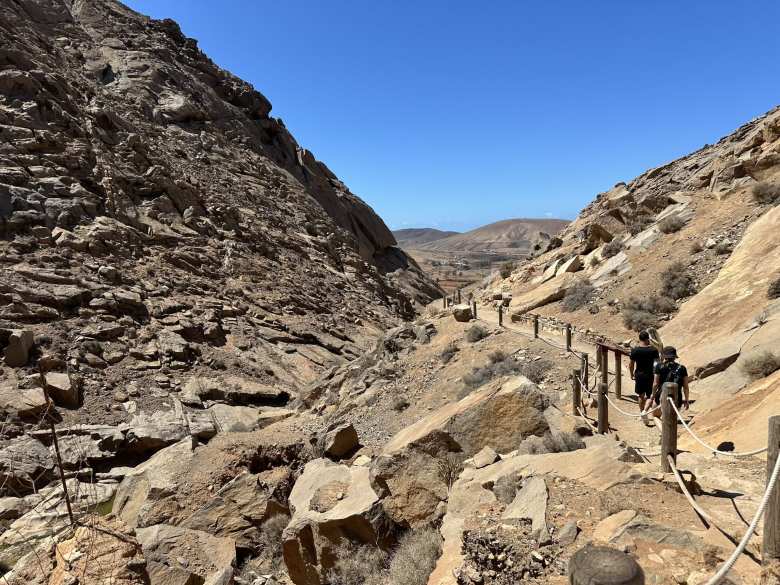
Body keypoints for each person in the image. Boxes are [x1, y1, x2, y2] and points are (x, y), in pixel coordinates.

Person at [629, 331, 659, 422]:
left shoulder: (635, 350)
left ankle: (642, 412)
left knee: (640, 395)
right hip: (650, 375)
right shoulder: (653, 350)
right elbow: (657, 364)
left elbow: (631, 364)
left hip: (639, 375)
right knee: (650, 395)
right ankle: (646, 412)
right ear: (647, 338)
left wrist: (631, 374)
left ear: (639, 339)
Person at [652, 346, 690, 416]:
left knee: (655, 416)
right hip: (677, 399)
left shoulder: (659, 366)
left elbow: (655, 384)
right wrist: (686, 400)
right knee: (672, 419)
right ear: (674, 357)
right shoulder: (682, 368)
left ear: (664, 356)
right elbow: (685, 387)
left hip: (661, 396)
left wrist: (653, 396)